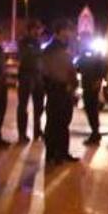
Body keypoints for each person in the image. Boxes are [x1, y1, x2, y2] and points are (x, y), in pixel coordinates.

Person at [42, 19, 79, 165]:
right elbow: (46, 72)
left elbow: (70, 67)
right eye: (67, 30)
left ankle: (62, 152)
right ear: (59, 31)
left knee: (64, 121)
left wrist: (73, 84)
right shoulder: (51, 49)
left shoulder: (66, 47)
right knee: (54, 122)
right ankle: (52, 153)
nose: (69, 33)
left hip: (66, 89)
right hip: (56, 89)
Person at [16, 19, 46, 144]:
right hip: (26, 76)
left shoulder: (38, 43)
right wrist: (39, 53)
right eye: (36, 29)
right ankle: (22, 134)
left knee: (39, 106)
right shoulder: (23, 42)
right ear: (29, 30)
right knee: (23, 106)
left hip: (38, 76)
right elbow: (26, 55)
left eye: (39, 29)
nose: (38, 31)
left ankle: (37, 130)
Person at [76, 36, 108, 146]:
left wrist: (99, 79)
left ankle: (95, 133)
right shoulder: (84, 54)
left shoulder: (98, 55)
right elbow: (79, 67)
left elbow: (104, 67)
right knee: (90, 109)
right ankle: (95, 132)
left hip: (93, 85)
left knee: (92, 109)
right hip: (87, 84)